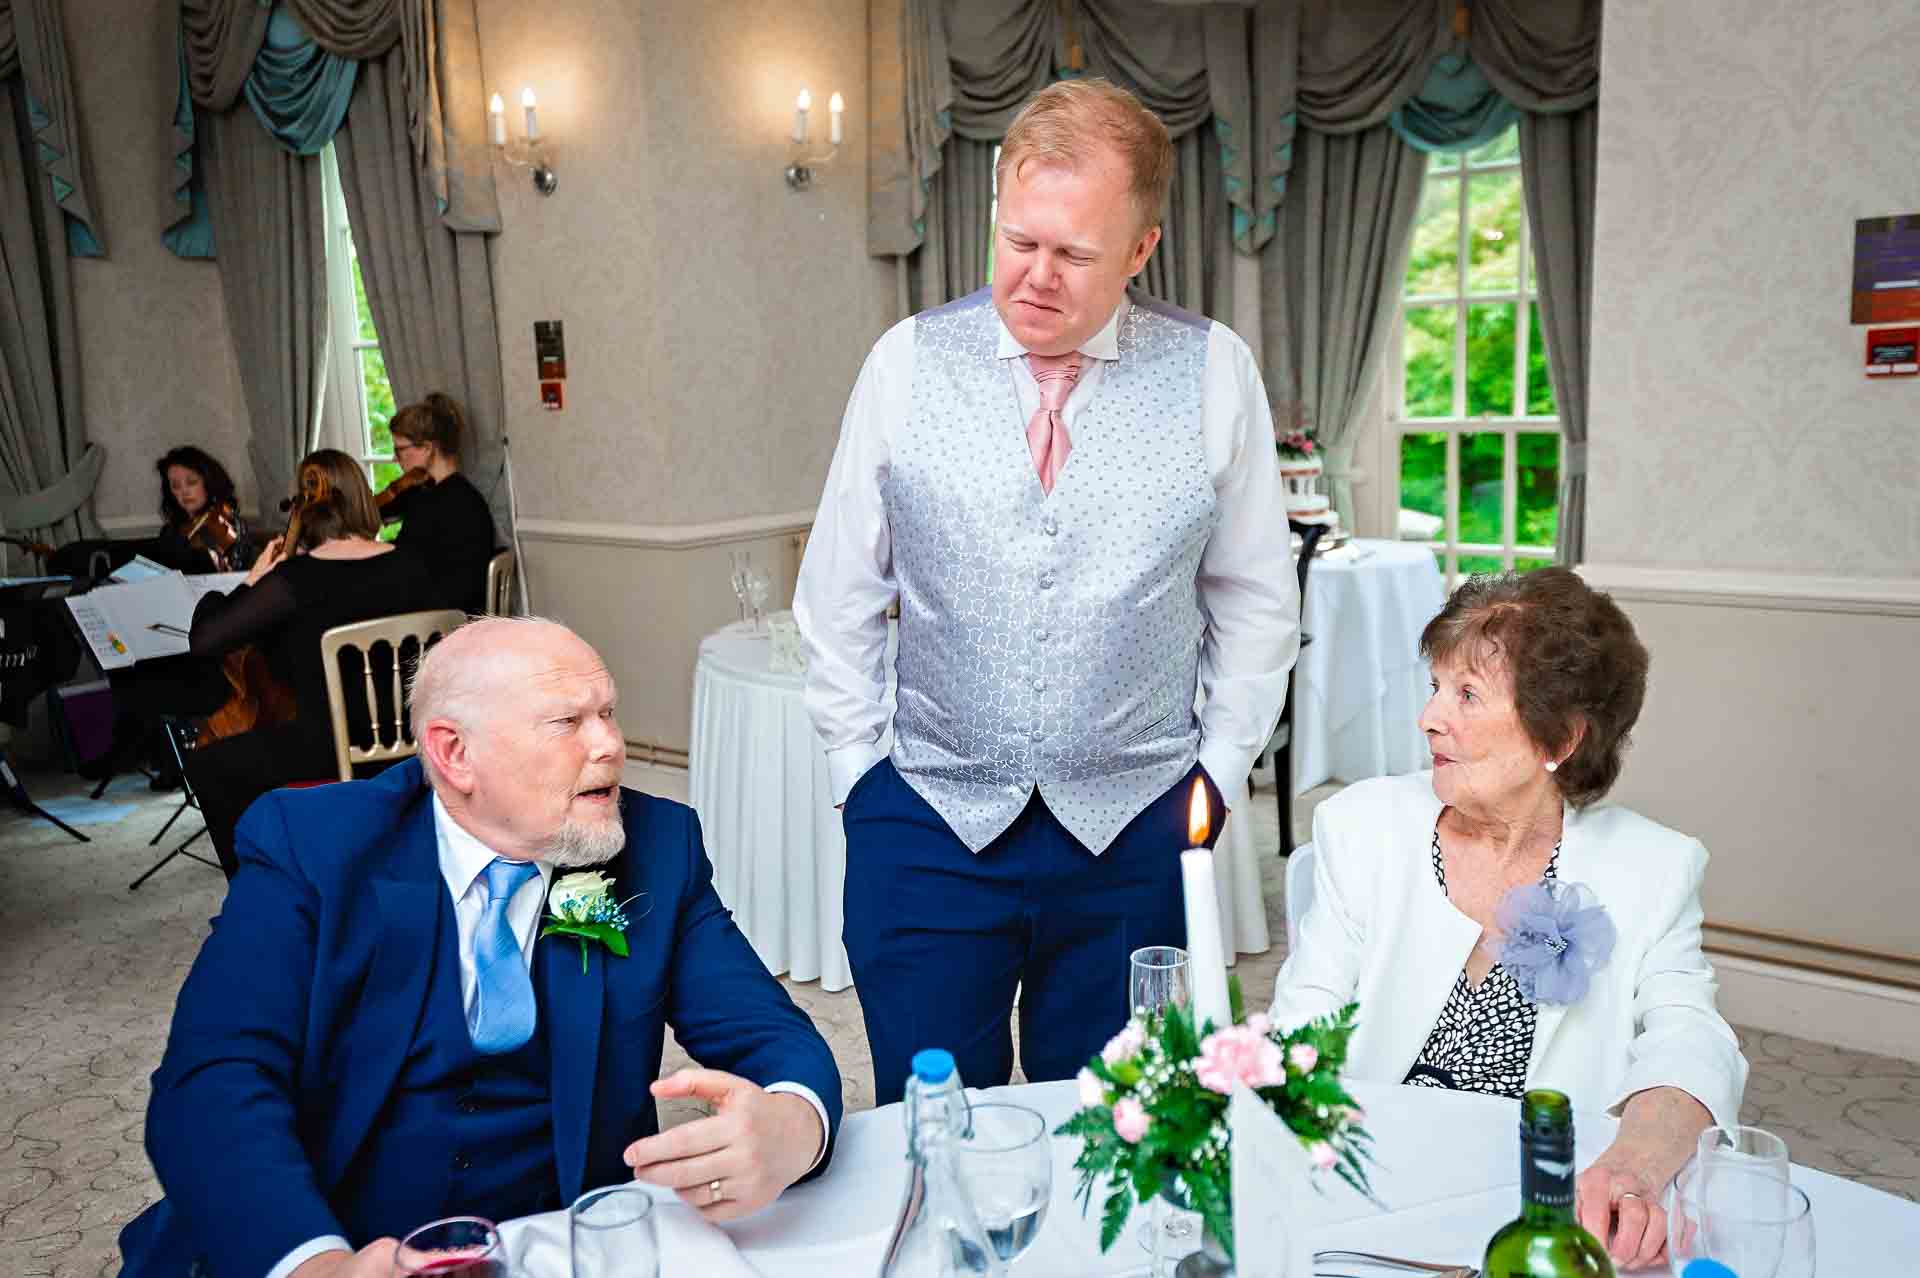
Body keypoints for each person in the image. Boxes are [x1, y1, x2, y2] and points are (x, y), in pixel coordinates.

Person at [795, 78, 1299, 1105]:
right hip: (928, 822)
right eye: (1017, 241)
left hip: (1136, 828)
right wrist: (861, 776)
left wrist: (1219, 766)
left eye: (1072, 254)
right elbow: (840, 589)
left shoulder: (1211, 370)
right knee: (934, 1121)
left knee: (1117, 1124)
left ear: (1141, 249)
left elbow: (1254, 597)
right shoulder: (904, 364)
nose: (1033, 278)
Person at [119, 617, 841, 1278]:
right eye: (567, 722)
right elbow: (212, 1080)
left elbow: (774, 1037)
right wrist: (314, 1264)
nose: (611, 745)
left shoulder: (651, 849)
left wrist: (792, 1126)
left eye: (608, 712)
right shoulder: (315, 848)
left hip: (556, 1246)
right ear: (454, 753)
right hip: (337, 1234)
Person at [1268, 568, 1749, 1271]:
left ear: (1561, 736)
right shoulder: (1362, 828)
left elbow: (1691, 1039)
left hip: (1544, 1216)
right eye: (1434, 687)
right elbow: (1300, 1026)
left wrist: (1633, 1170)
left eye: (1467, 694)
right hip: (1371, 1199)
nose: (1430, 717)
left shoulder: (1652, 867)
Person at [181, 449, 437, 874]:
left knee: (208, 764)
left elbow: (206, 641)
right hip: (415, 741)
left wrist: (251, 581)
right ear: (360, 499)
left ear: (307, 507)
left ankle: (262, 889)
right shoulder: (412, 565)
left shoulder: (292, 581)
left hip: (327, 750)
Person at [380, 392, 499, 614]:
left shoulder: (452, 503)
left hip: (441, 622)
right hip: (442, 609)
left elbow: (411, 561)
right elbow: (375, 512)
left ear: (427, 448)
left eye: (400, 449)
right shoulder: (424, 490)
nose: (395, 458)